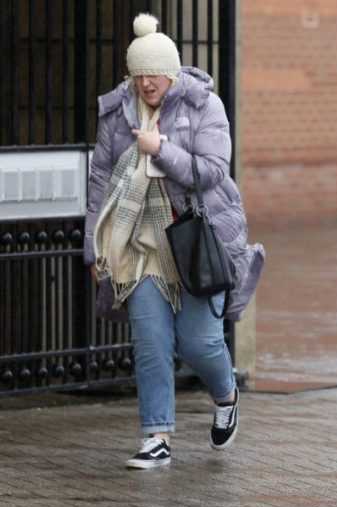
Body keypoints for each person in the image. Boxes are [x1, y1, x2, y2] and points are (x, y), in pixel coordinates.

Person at [83, 14, 265, 469]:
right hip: (140, 243)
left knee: (199, 344)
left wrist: (160, 149)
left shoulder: (204, 105)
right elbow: (101, 178)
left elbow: (213, 171)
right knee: (150, 341)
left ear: (172, 72)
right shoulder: (116, 112)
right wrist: (94, 247)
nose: (147, 83)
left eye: (155, 74)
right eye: (139, 74)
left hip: (194, 240)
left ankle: (225, 394)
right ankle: (156, 435)